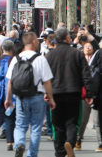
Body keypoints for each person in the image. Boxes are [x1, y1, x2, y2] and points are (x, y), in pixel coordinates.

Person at [5, 32, 56, 157]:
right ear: (33, 42)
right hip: (38, 96)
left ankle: (20, 144)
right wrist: (51, 98)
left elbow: (10, 81)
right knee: (36, 128)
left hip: (21, 98)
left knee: (20, 125)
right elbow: (47, 82)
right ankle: (31, 154)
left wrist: (8, 98)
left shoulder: (16, 59)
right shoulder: (40, 59)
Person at [46, 27, 94, 157]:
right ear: (67, 38)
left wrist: (46, 93)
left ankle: (59, 152)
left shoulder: (50, 55)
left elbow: (45, 77)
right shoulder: (77, 53)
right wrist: (89, 94)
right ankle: (70, 142)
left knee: (58, 125)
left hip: (55, 94)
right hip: (73, 93)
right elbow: (86, 75)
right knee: (72, 122)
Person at [0, 40, 15, 150]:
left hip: (5, 89)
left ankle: (9, 140)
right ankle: (16, 138)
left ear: (2, 48)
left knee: (6, 113)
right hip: (19, 91)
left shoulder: (0, 61)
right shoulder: (16, 60)